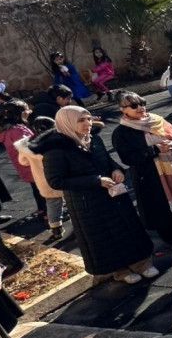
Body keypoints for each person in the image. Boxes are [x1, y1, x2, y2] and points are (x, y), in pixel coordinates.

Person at [33, 106, 156, 284]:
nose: (88, 124)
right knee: (107, 237)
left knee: (129, 229)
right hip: (88, 203)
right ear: (67, 122)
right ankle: (120, 271)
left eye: (89, 119)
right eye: (81, 120)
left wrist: (116, 169)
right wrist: (95, 181)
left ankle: (142, 263)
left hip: (113, 195)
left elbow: (106, 160)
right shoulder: (55, 150)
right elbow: (56, 181)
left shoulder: (94, 139)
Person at [112, 91, 172, 250]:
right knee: (163, 214)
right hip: (150, 178)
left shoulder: (158, 120)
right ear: (122, 110)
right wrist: (154, 150)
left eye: (142, 103)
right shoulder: (121, 133)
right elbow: (127, 158)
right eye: (134, 105)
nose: (140, 108)